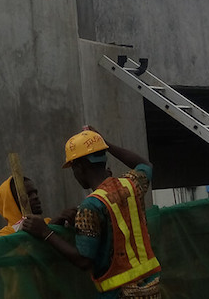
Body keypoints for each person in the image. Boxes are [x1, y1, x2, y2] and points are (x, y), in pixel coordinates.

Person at [23, 127, 161, 299]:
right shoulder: (132, 185)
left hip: (119, 293)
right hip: (152, 288)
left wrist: (45, 232)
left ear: (79, 167)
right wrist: (105, 144)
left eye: (73, 168)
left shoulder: (90, 206)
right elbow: (145, 165)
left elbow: (83, 260)